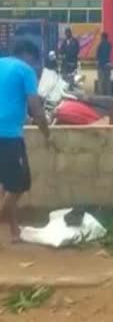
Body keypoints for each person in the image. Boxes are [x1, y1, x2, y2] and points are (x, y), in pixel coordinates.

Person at [0, 40, 51, 243]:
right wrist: (47, 133)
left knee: (6, 185)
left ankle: (14, 231)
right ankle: (11, 229)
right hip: (9, 137)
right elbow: (36, 108)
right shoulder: (25, 70)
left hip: (8, 133)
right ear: (28, 55)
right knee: (19, 185)